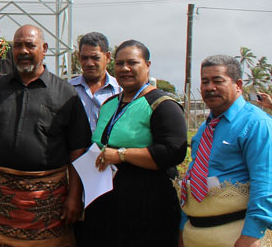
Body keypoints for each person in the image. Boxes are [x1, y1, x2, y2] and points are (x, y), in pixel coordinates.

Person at [0, 24, 90, 247]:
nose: (23, 51)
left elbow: (78, 150)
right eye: (18, 45)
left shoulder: (66, 94)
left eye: (30, 45)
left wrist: (74, 196)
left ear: (44, 48)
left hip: (46, 204)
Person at [75, 40, 187, 246]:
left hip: (146, 207)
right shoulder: (110, 104)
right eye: (119, 64)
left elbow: (173, 152)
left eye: (132, 63)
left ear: (147, 65)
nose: (124, 68)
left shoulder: (163, 105)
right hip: (105, 204)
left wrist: (121, 155)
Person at [179, 54, 272, 247]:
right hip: (195, 235)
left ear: (238, 84)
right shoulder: (205, 128)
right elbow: (191, 178)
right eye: (204, 82)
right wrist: (182, 230)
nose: (209, 88)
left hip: (236, 236)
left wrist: (249, 237)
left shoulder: (256, 123)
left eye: (217, 81)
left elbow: (265, 184)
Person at [68, 32, 121, 131]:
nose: (89, 63)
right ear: (79, 57)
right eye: (84, 58)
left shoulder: (121, 90)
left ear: (108, 57)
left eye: (95, 58)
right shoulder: (67, 90)